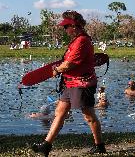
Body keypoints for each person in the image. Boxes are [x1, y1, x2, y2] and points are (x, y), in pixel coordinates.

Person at [31, 10, 106, 156]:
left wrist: (56, 70)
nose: (65, 30)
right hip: (69, 83)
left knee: (89, 116)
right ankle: (46, 146)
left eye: (66, 27)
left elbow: (69, 64)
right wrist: (59, 69)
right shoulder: (76, 40)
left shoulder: (82, 40)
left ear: (74, 26)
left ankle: (100, 146)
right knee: (60, 112)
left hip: (82, 84)